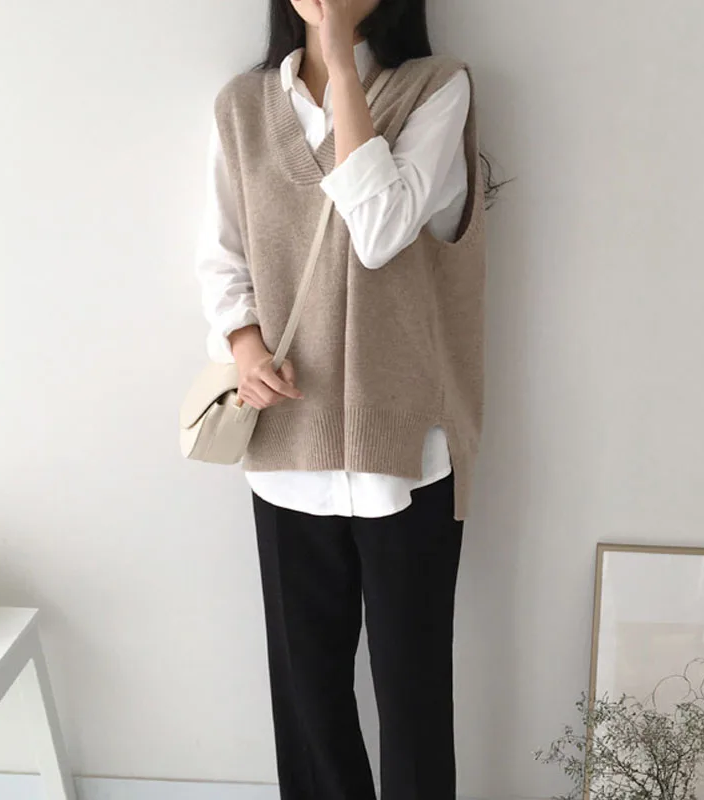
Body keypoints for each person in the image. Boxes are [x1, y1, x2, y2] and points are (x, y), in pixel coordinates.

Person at [194, 1, 489, 797]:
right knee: (309, 704)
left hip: (408, 453)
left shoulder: (436, 89)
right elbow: (221, 257)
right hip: (287, 449)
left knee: (413, 699)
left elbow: (381, 228)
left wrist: (336, 51)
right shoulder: (242, 107)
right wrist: (245, 348)